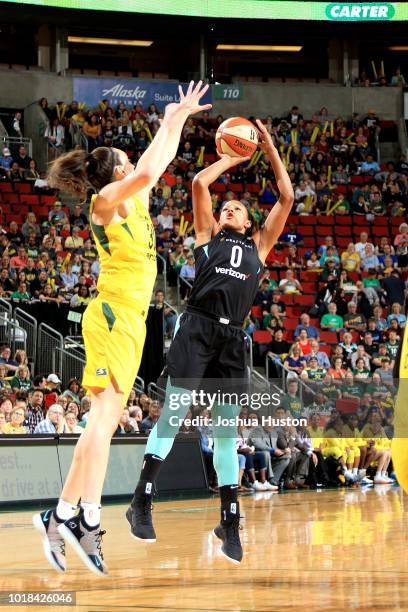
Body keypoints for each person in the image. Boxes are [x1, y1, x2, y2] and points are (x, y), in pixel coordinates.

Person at [32, 80, 211, 576]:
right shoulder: (106, 200)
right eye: (127, 161)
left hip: (132, 323)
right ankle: (85, 517)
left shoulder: (137, 194)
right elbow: (153, 164)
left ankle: (62, 515)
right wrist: (171, 120)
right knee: (102, 423)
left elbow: (159, 159)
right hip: (110, 317)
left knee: (103, 424)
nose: (136, 164)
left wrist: (177, 117)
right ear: (115, 171)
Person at [127, 119, 294, 564]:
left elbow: (288, 197)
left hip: (232, 340)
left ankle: (230, 521)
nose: (229, 209)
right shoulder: (206, 239)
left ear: (249, 220)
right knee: (176, 413)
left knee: (225, 432)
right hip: (197, 328)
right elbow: (201, 181)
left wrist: (270, 147)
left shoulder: (259, 248)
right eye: (226, 208)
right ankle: (142, 499)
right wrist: (232, 157)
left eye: (237, 207)